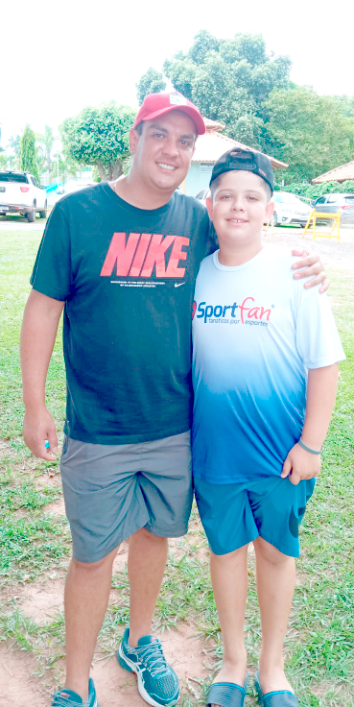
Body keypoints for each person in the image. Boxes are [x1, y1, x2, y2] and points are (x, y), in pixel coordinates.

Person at [20, 93, 327, 707]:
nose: (171, 150)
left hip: (174, 429)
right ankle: (74, 685)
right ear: (135, 136)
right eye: (159, 134)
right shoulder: (76, 213)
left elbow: (248, 255)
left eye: (184, 142)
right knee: (91, 554)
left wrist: (307, 262)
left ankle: (139, 641)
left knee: (154, 539)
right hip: (98, 428)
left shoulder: (195, 219)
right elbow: (42, 307)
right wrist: (34, 402)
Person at [191, 148, 345, 707]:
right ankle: (233, 662)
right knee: (227, 553)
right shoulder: (196, 276)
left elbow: (323, 363)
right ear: (210, 207)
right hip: (214, 455)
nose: (238, 206)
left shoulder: (294, 272)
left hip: (282, 455)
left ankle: (272, 669)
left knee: (277, 553)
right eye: (226, 196)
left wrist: (311, 444)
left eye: (251, 197)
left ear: (270, 210)